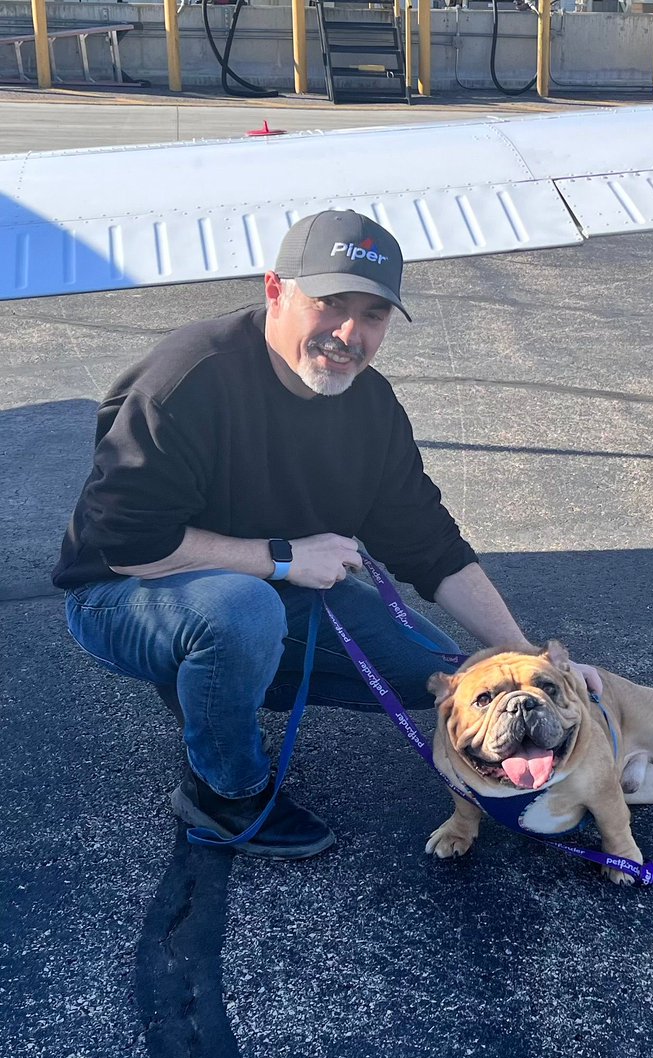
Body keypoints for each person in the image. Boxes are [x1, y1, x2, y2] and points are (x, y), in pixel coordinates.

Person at [53, 209, 598, 860]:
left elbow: (428, 543)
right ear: (276, 290)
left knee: (435, 674)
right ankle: (223, 794)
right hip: (123, 592)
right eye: (328, 303)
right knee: (238, 614)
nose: (348, 333)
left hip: (271, 587)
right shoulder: (188, 379)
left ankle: (217, 683)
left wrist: (526, 663)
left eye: (371, 314)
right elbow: (129, 544)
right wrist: (282, 558)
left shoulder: (369, 406)